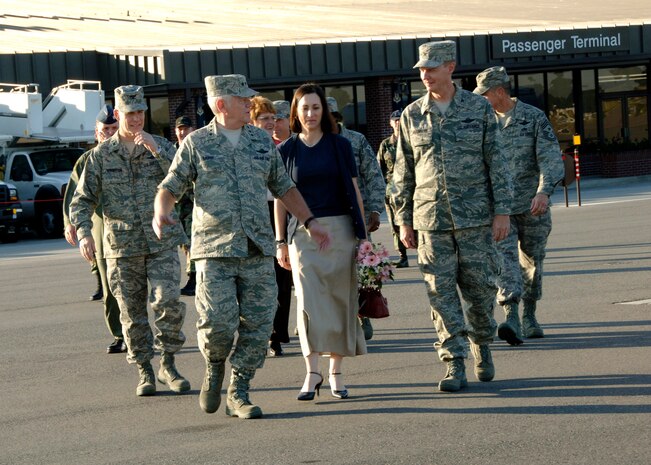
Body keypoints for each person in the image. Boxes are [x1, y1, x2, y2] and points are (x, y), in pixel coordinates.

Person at [153, 74, 330, 419]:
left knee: (260, 322)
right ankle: (215, 364)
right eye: (242, 100)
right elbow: (170, 187)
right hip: (213, 249)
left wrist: (310, 222)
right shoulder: (197, 144)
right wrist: (161, 213)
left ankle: (240, 389)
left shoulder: (261, 142)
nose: (250, 104)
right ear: (221, 104)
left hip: (256, 248)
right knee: (217, 324)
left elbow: (285, 187)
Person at [392, 41, 513, 392]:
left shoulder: (478, 108)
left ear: (450, 67)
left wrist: (502, 211)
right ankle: (453, 362)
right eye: (421, 69)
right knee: (439, 293)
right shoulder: (413, 114)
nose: (425, 74)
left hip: (476, 217)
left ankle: (482, 342)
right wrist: (404, 220)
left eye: (432, 68)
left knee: (480, 290)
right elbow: (403, 171)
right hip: (431, 220)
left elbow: (497, 162)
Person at [70, 85, 190, 397]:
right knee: (132, 313)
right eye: (129, 113)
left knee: (168, 303)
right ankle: (145, 371)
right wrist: (84, 233)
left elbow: (186, 181)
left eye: (140, 113)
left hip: (161, 241)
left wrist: (157, 149)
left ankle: (168, 364)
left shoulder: (160, 145)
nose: (135, 119)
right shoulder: (99, 156)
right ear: (118, 114)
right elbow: (81, 201)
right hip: (122, 248)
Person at [275, 83, 368, 401]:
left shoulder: (340, 145)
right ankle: (311, 372)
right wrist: (280, 242)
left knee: (340, 301)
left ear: (323, 112)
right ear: (295, 114)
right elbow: (280, 199)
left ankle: (335, 374)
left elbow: (354, 190)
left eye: (316, 108)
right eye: (305, 109)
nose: (311, 114)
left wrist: (364, 238)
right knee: (309, 303)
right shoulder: (286, 150)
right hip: (302, 236)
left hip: (341, 230)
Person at [473, 66, 564, 344]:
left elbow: (550, 159)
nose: (482, 100)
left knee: (533, 261)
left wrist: (543, 192)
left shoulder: (532, 118)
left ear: (500, 91)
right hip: (500, 209)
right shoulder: (482, 122)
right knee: (504, 260)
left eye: (485, 94)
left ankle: (530, 314)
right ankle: (511, 315)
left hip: (532, 205)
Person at [63, 104, 125, 354]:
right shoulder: (87, 160)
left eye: (113, 128)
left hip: (132, 228)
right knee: (109, 286)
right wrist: (72, 225)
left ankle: (138, 333)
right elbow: (73, 195)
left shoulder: (133, 153)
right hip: (101, 228)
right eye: (104, 130)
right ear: (96, 132)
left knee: (136, 287)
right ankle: (119, 334)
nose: (109, 134)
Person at [327, 96, 386, 341]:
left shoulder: (356, 141)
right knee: (333, 272)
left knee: (361, 269)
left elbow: (373, 175)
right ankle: (345, 319)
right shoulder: (315, 142)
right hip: (326, 218)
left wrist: (374, 209)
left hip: (356, 217)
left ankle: (363, 314)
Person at [250, 96, 292, 357]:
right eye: (264, 118)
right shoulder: (247, 148)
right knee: (258, 278)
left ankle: (277, 334)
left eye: (272, 118)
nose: (270, 122)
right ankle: (261, 331)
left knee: (282, 276)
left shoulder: (283, 148)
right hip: (255, 214)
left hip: (280, 211)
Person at [377, 109, 410, 268]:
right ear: (390, 123)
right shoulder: (385, 145)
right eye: (395, 120)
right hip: (391, 192)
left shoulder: (411, 140)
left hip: (412, 190)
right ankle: (402, 255)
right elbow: (379, 169)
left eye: (400, 119)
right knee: (395, 224)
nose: (397, 122)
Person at [174, 116, 197, 296]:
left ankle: (194, 279)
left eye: (186, 128)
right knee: (184, 245)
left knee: (192, 244)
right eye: (180, 129)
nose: (182, 132)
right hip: (176, 208)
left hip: (193, 206)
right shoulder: (170, 151)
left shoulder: (195, 149)